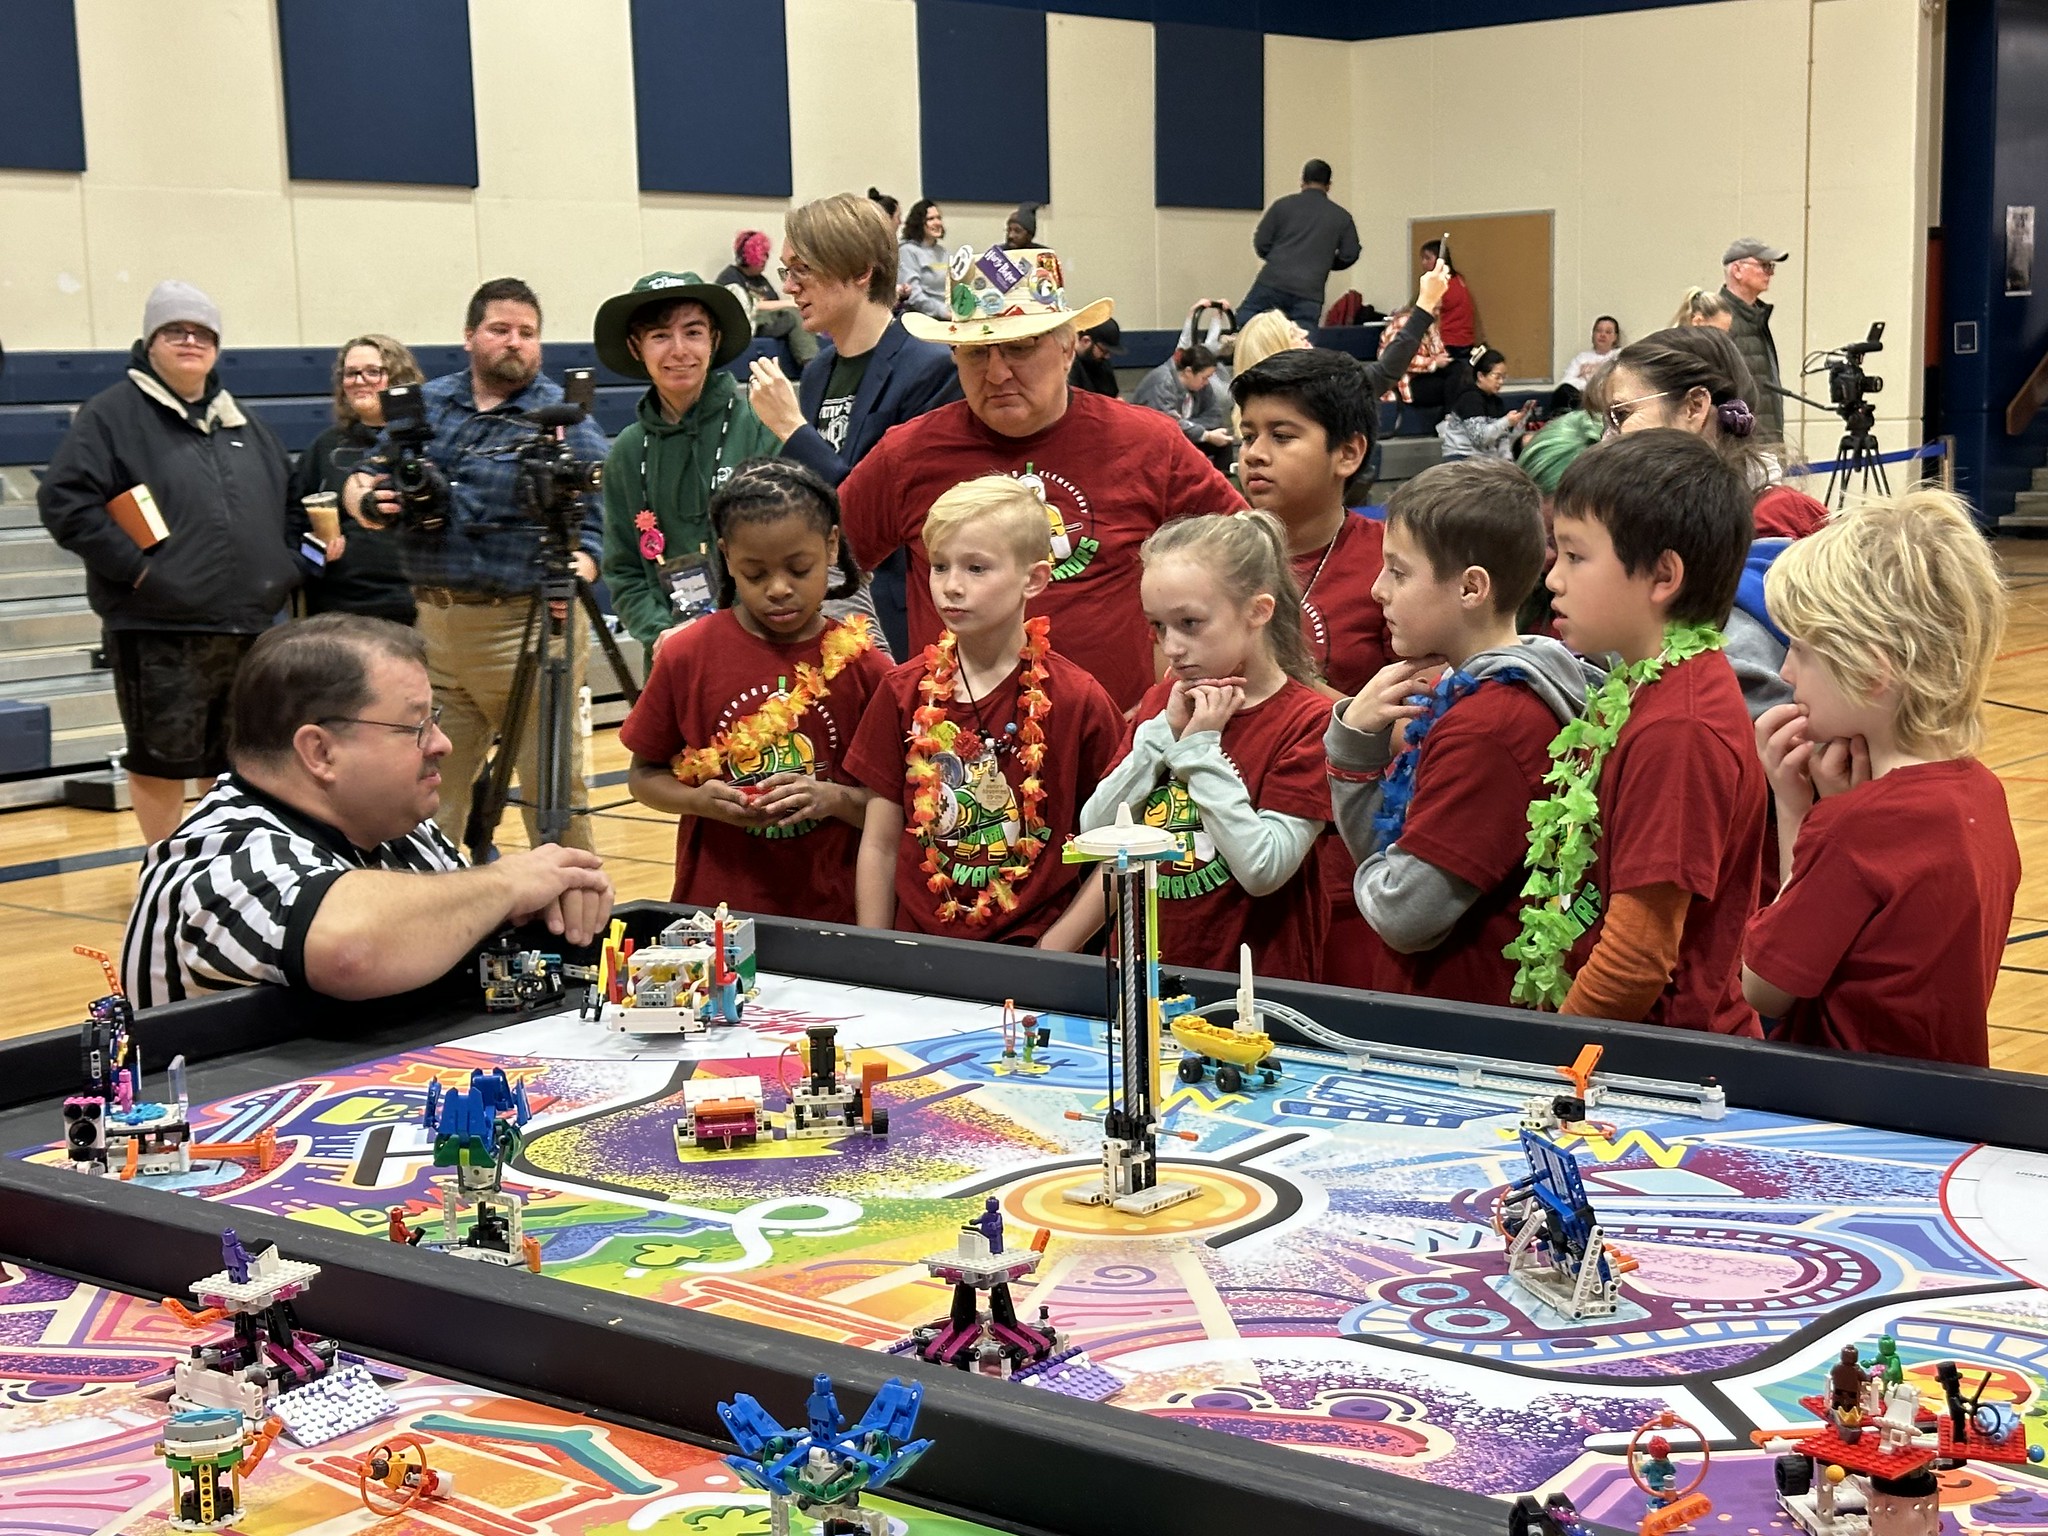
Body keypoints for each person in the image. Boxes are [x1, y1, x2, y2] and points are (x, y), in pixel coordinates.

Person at [119, 614, 614, 1008]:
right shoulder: (221, 857)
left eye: (434, 720)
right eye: (414, 726)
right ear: (320, 752)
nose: (441, 743)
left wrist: (535, 911)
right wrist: (505, 884)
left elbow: (445, 926)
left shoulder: (402, 833)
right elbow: (350, 948)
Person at [841, 241, 1244, 713]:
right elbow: (827, 563)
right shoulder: (907, 453)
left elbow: (1243, 553)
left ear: (1068, 348)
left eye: (1019, 348)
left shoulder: (1149, 443)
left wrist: (1183, 682)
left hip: (1118, 751)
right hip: (951, 756)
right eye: (975, 353)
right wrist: (875, 679)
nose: (996, 373)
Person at [1743, 489, 2018, 1066]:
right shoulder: (1982, 792)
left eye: (1800, 649)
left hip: (1855, 1117)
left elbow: (1765, 986)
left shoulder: (1857, 825)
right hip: (1946, 1102)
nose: (1787, 671)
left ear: (1870, 669)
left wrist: (1797, 810)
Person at [341, 277, 610, 855]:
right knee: (425, 796)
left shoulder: (564, 421)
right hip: (435, 628)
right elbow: (363, 475)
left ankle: (580, 926)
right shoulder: (426, 404)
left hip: (530, 628)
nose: (514, 342)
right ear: (470, 336)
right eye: (500, 329)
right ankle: (437, 925)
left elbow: (596, 532)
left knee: (552, 798)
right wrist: (365, 501)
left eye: (527, 333)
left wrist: (575, 575)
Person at [1509, 430, 1764, 1033]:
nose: (1553, 580)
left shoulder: (1681, 727)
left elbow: (1634, 959)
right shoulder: (1638, 689)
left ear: (1662, 576)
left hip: (1665, 1063)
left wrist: (1546, 1068)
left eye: (1575, 556)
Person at [39, 279, 300, 846]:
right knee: (161, 759)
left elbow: (290, 507)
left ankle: (217, 866)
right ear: (150, 342)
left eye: (202, 332)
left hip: (249, 626)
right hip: (157, 626)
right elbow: (64, 500)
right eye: (174, 331)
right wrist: (137, 573)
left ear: (217, 346)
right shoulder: (111, 415)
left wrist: (284, 569)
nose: (190, 341)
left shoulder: (246, 426)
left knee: (235, 761)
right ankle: (161, 868)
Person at [1327, 460, 1596, 1003]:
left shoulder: (1489, 726)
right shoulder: (1478, 693)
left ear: (1472, 588)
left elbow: (1402, 912)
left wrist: (1351, 758)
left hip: (1463, 1028)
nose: (1377, 590)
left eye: (1399, 573)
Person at [846, 477, 1122, 948]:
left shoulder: (1079, 700)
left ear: (1034, 579)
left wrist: (1053, 953)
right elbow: (880, 842)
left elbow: (1122, 850)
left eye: (976, 568)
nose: (951, 586)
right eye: (939, 566)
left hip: (1036, 949)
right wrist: (876, 954)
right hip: (919, 951)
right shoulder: (902, 692)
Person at [619, 461, 892, 924]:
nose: (779, 589)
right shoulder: (688, 655)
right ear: (726, 558)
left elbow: (896, 811)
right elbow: (643, 776)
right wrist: (695, 800)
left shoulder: (867, 667)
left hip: (835, 912)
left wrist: (833, 799)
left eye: (798, 568)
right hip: (715, 915)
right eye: (755, 574)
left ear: (830, 546)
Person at [1079, 512, 1331, 979]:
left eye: (1190, 623)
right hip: (1141, 976)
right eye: (1158, 627)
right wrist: (1159, 738)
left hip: (1251, 993)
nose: (1171, 647)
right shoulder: (1166, 703)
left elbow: (1264, 867)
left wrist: (1198, 751)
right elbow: (1095, 834)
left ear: (1258, 611)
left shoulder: (1307, 722)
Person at [744, 192, 963, 659]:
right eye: (786, 270)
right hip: (827, 617)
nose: (789, 287)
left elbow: (890, 517)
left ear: (861, 270)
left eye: (802, 269)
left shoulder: (930, 368)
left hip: (898, 625)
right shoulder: (819, 371)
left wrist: (793, 430)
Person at [1601, 327, 1829, 717]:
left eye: (1621, 415)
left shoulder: (1775, 523)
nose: (1606, 440)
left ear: (1694, 407)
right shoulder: (1679, 525)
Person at [592, 271, 783, 657]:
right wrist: (663, 632)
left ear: (714, 340)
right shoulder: (627, 451)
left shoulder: (761, 424)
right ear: (635, 347)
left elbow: (786, 554)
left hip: (761, 648)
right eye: (660, 336)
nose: (679, 350)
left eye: (693, 333)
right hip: (671, 657)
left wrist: (721, 631)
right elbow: (624, 571)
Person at [288, 335, 423, 625]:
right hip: (340, 611)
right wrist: (317, 553)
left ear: (399, 377)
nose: (360, 380)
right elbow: (294, 535)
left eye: (373, 371)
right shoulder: (324, 448)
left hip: (420, 609)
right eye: (351, 373)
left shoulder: (429, 443)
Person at [1240, 160, 1360, 328]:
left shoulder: (1281, 206)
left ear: (1302, 181)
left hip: (1272, 282)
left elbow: (1261, 242)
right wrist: (1324, 262)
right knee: (1302, 346)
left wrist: (1278, 258)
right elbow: (1350, 254)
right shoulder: (1341, 217)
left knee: (1249, 330)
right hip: (1310, 291)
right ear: (1329, 185)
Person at [1720, 237, 1790, 441]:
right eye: (1764, 266)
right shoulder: (1720, 317)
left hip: (1766, 439)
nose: (1771, 273)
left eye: (1771, 266)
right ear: (1737, 270)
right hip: (1741, 444)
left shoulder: (1755, 316)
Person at [717, 231, 818, 368]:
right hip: (748, 322)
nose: (766, 259)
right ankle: (811, 364)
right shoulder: (730, 277)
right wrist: (788, 304)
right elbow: (743, 306)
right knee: (793, 315)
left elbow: (774, 303)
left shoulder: (761, 280)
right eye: (762, 255)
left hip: (769, 321)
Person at [1130, 342, 1233, 462]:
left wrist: (1188, 426)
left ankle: (1222, 478)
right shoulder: (1162, 382)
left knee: (1223, 442)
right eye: (1204, 377)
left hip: (1182, 436)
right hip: (1153, 442)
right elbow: (1168, 425)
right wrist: (1205, 435)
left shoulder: (1201, 385)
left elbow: (1214, 415)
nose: (1206, 382)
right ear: (1188, 372)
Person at [1439, 348, 1530, 461]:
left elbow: (1502, 439)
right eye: (1497, 377)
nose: (1501, 382)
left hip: (1485, 460)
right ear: (1481, 376)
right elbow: (1480, 438)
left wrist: (1508, 461)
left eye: (1503, 377)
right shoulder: (1470, 398)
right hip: (1461, 457)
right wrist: (1506, 421)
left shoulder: (1497, 402)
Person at [1418, 240, 1477, 349]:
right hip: (1466, 340)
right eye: (1422, 258)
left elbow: (1426, 311)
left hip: (1449, 341)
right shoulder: (1459, 279)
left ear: (1440, 260)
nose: (1423, 263)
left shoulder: (1441, 285)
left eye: (1427, 258)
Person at [898, 199, 950, 321]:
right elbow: (913, 295)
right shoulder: (907, 251)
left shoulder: (942, 252)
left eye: (939, 218)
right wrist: (943, 312)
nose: (937, 223)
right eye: (930, 219)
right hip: (927, 319)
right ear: (919, 223)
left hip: (950, 314)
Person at [1560, 317, 1621, 393]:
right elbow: (1566, 382)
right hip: (1580, 398)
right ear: (1593, 334)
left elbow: (1613, 384)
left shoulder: (1619, 357)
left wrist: (1582, 378)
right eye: (1598, 331)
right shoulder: (1581, 358)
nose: (1602, 335)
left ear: (1615, 337)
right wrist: (1590, 384)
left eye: (1608, 332)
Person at [1069, 319, 1123, 398]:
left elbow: (1113, 395)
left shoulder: (1100, 362)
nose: (1107, 356)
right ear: (1086, 341)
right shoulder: (1066, 367)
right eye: (1103, 351)